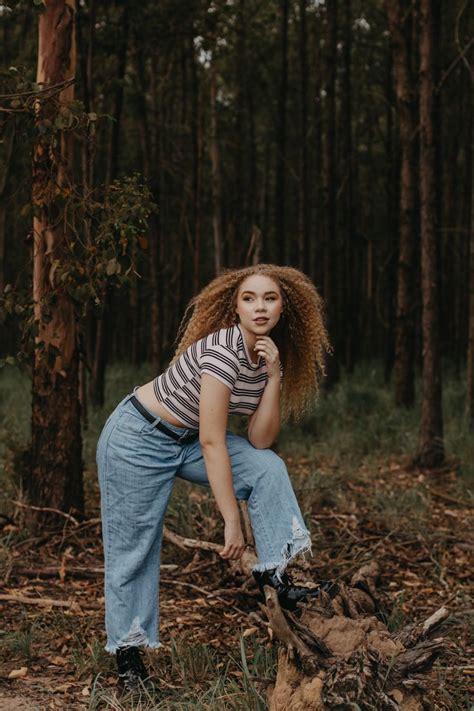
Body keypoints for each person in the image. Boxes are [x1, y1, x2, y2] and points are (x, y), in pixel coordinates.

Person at [96, 263, 336, 691]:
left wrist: (275, 375)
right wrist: (230, 518)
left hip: (186, 440)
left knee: (267, 467)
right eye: (249, 298)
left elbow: (260, 441)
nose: (259, 307)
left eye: (270, 298)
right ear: (235, 307)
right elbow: (213, 442)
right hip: (139, 438)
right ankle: (129, 660)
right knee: (134, 548)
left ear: (285, 309)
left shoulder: (265, 357)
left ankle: (274, 578)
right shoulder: (222, 350)